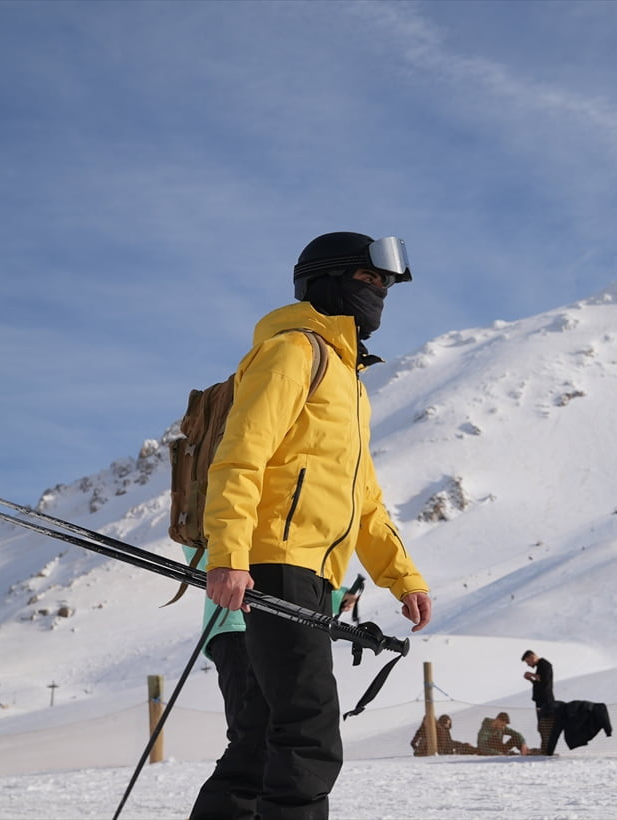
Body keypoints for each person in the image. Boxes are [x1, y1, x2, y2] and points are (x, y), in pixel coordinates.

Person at [191, 232, 433, 820]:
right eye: (368, 279)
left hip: (308, 572)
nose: (378, 293)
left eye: (384, 285)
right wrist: (228, 556)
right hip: (274, 561)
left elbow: (364, 501)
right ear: (327, 281)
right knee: (309, 732)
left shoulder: (350, 383)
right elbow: (239, 457)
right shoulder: (294, 352)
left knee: (260, 738)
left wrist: (403, 578)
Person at [183, 545, 360, 743]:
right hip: (238, 624)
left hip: (260, 624)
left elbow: (284, 565)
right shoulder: (224, 527)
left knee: (273, 724)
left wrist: (335, 597)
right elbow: (264, 561)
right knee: (252, 729)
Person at [522, 649, 555, 754]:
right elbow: (539, 684)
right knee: (542, 727)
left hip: (545, 702)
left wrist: (531, 674)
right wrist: (530, 679)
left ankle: (547, 750)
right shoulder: (539, 667)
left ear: (532, 657)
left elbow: (544, 680)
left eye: (528, 661)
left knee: (546, 726)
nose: (528, 664)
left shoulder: (544, 665)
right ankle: (545, 749)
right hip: (541, 701)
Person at [409, 713, 480, 756]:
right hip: (441, 751)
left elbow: (448, 742)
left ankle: (478, 750)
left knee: (466, 746)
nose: (447, 725)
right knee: (465, 747)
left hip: (447, 749)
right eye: (446, 723)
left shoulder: (444, 729)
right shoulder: (438, 730)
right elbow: (413, 743)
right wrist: (418, 750)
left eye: (448, 723)